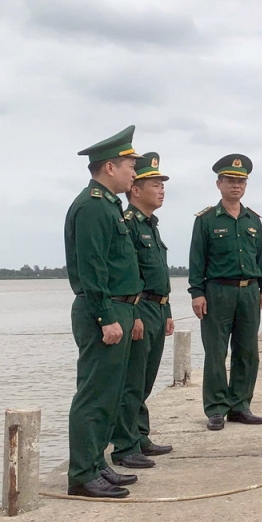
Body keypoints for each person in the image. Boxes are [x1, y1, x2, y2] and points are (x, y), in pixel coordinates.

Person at [64, 126, 144, 499]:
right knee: (95, 394)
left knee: (110, 393)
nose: (134, 172)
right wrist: (105, 317)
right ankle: (82, 473)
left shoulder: (108, 204)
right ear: (109, 167)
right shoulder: (93, 206)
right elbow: (92, 267)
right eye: (130, 164)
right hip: (105, 309)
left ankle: (96, 463)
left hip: (120, 308)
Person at [189, 154, 262, 431]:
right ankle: (216, 408)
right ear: (219, 184)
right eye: (231, 181)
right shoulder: (206, 220)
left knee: (248, 351)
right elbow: (196, 259)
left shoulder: (253, 220)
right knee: (215, 352)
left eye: (241, 181)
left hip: (249, 292)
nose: (236, 186)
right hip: (217, 293)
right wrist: (197, 292)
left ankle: (240, 405)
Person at [110, 152, 176, 469]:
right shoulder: (130, 224)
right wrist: (134, 313)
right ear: (136, 189)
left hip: (157, 308)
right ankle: (124, 446)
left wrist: (168, 310)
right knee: (133, 379)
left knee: (146, 377)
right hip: (140, 308)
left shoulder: (151, 225)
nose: (161, 189)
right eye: (155, 184)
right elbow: (130, 273)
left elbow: (157, 272)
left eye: (162, 184)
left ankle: (140, 436)